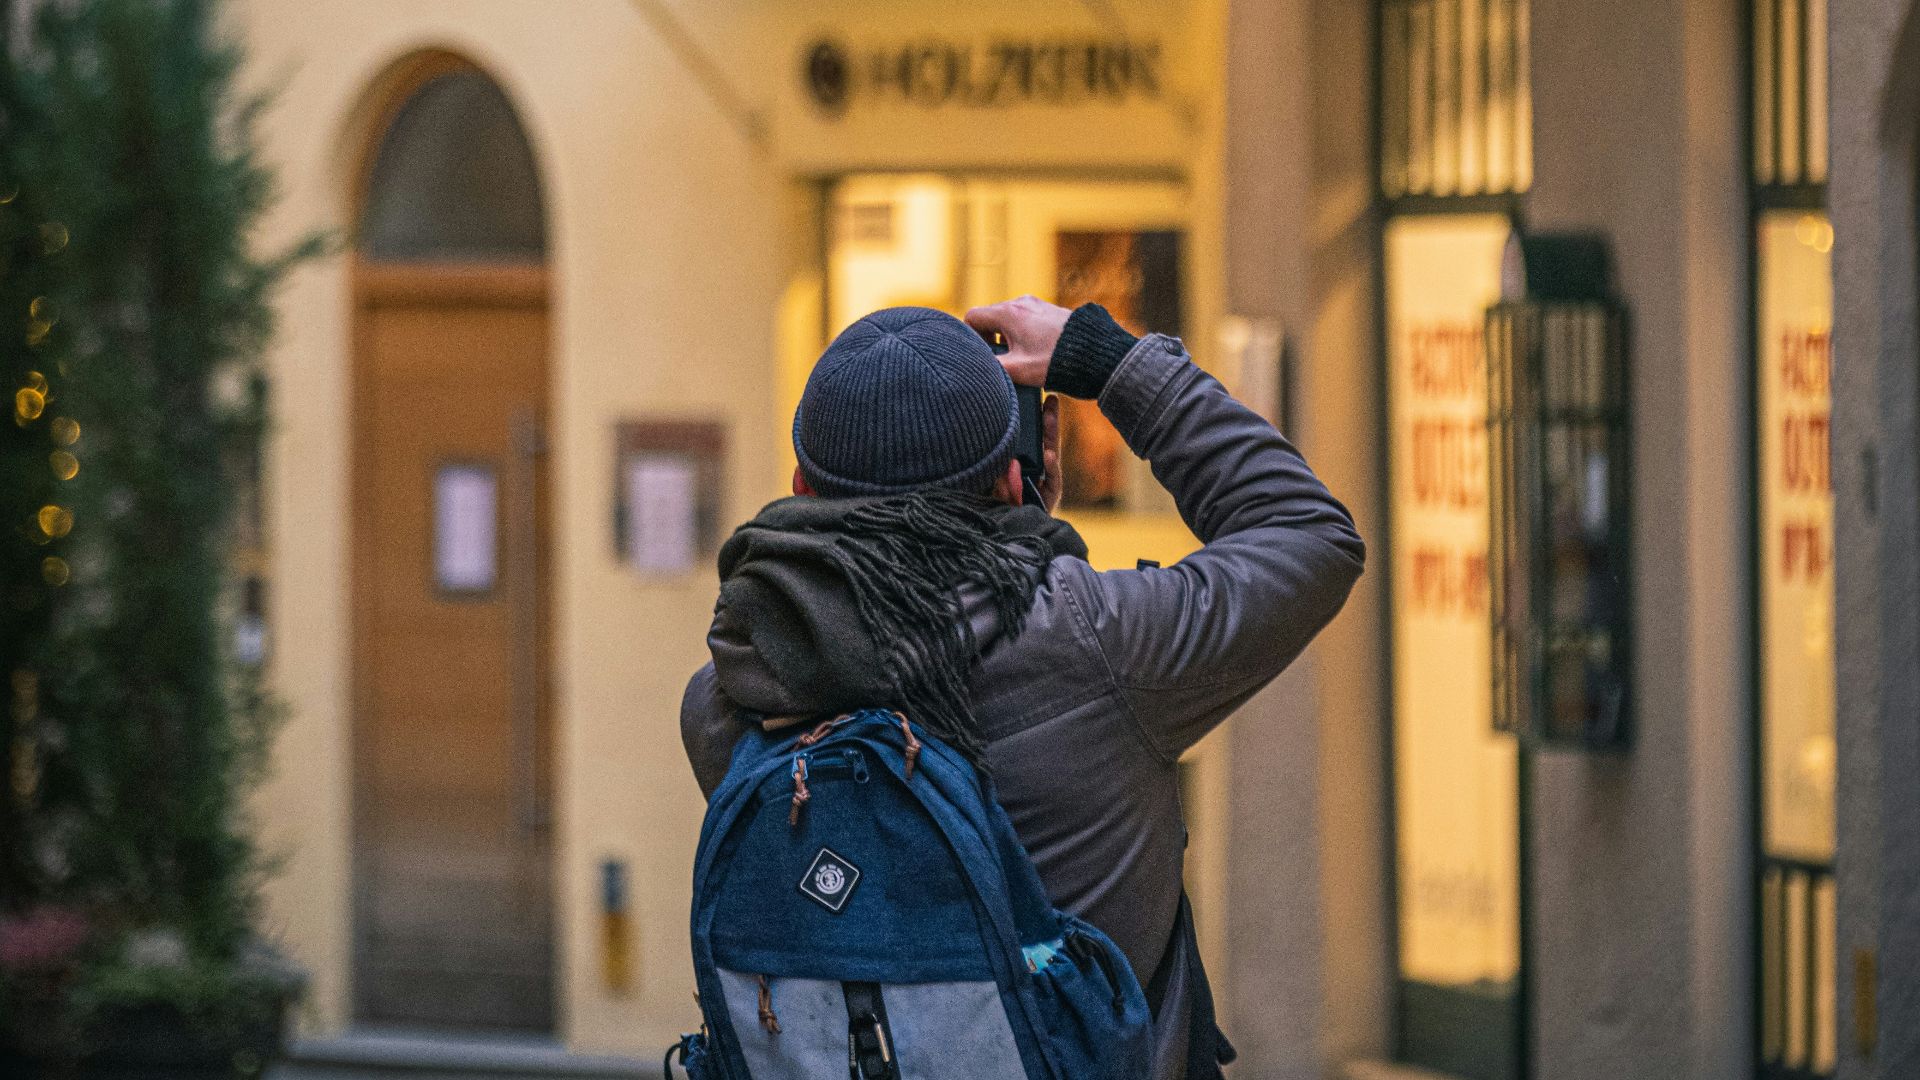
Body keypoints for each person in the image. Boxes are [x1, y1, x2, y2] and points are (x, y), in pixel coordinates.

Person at [681, 296, 1364, 1078]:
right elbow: (1310, 535)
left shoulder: (729, 696)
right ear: (1016, 479)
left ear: (804, 488)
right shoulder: (1100, 644)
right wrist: (1106, 359)